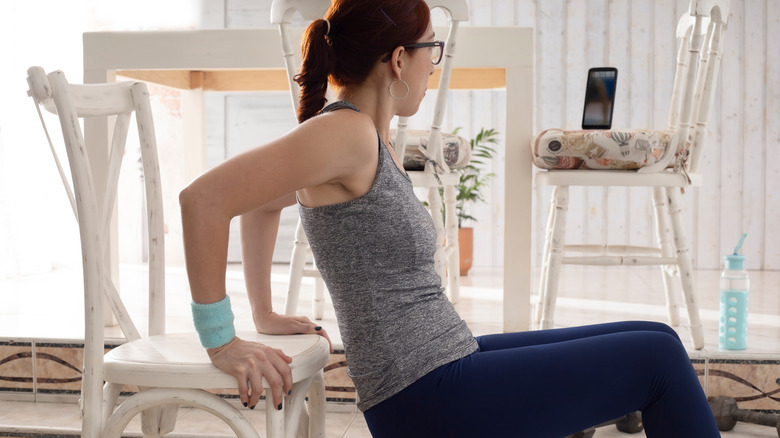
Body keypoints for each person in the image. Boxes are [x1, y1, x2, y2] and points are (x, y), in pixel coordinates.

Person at [178, 1, 720, 436]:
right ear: (397, 59)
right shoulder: (343, 133)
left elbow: (264, 201)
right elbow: (203, 200)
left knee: (655, 335)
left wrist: (266, 311)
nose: (431, 66)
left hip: (442, 361)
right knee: (658, 360)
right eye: (429, 51)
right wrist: (223, 340)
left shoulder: (361, 136)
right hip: (426, 394)